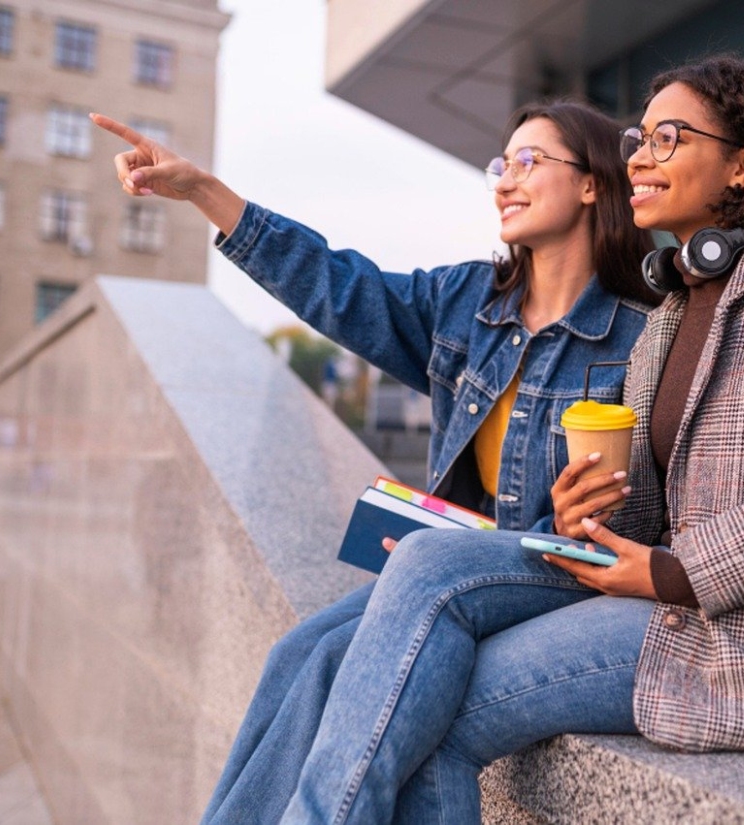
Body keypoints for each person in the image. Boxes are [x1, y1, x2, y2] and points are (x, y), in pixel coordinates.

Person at [265, 55, 744, 824]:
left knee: (423, 677)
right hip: (666, 605)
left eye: (668, 138)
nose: (639, 157)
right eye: (637, 139)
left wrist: (680, 570)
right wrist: (590, 509)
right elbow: (647, 508)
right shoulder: (674, 310)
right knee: (420, 647)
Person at [93, 100, 657, 823]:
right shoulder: (467, 302)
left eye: (528, 162)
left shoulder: (639, 335)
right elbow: (338, 286)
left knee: (401, 618)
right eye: (499, 164)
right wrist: (205, 191)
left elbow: (651, 502)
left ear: (590, 184)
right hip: (466, 564)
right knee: (303, 654)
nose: (504, 181)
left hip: (564, 572)